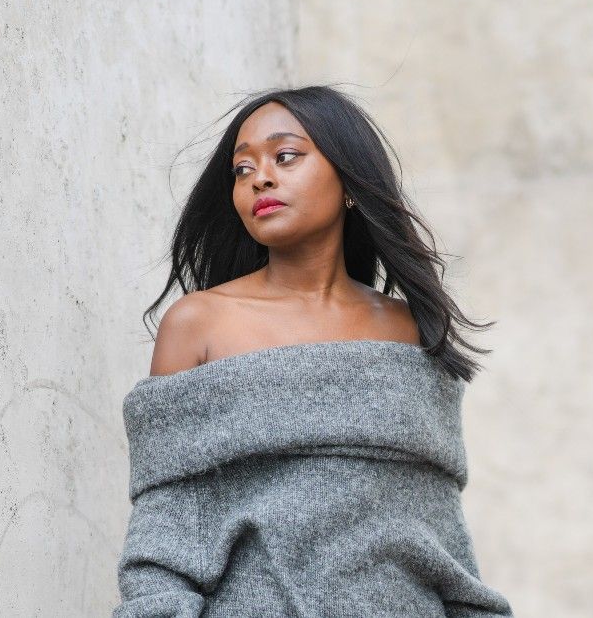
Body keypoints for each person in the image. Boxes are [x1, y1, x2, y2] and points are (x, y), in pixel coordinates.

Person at [113, 84, 515, 617]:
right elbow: (164, 536)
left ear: (349, 181)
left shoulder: (408, 330)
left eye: (285, 156)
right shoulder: (199, 324)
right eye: (242, 168)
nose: (260, 177)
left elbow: (440, 537)